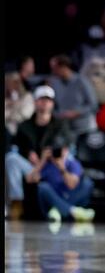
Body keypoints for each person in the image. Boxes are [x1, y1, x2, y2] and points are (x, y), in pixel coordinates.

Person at [5, 85, 71, 219]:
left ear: (52, 103)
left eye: (48, 100)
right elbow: (18, 147)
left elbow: (64, 146)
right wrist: (28, 153)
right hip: (32, 167)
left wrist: (46, 157)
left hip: (52, 165)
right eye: (41, 99)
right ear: (35, 102)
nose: (45, 103)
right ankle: (16, 202)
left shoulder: (60, 125)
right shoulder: (24, 126)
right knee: (11, 158)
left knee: (70, 157)